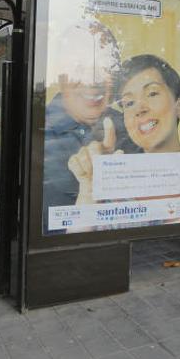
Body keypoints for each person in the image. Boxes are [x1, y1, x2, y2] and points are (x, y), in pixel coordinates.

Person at [42, 22, 136, 229]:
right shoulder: (38, 129)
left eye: (105, 67)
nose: (93, 80)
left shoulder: (131, 125)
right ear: (60, 74)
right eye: (79, 66)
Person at [67, 54, 180, 206]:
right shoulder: (120, 187)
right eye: (129, 103)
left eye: (152, 93)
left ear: (179, 106)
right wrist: (89, 192)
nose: (139, 109)